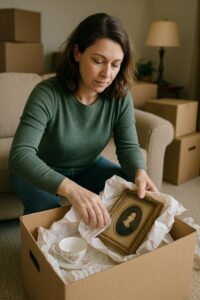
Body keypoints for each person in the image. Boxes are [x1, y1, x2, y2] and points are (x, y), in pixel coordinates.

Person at [9, 13, 158, 229]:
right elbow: (20, 157)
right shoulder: (47, 93)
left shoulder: (120, 95)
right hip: (37, 169)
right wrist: (71, 189)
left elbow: (128, 147)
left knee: (132, 191)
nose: (107, 74)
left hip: (87, 166)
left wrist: (139, 171)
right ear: (77, 52)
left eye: (116, 64)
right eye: (98, 61)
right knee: (49, 212)